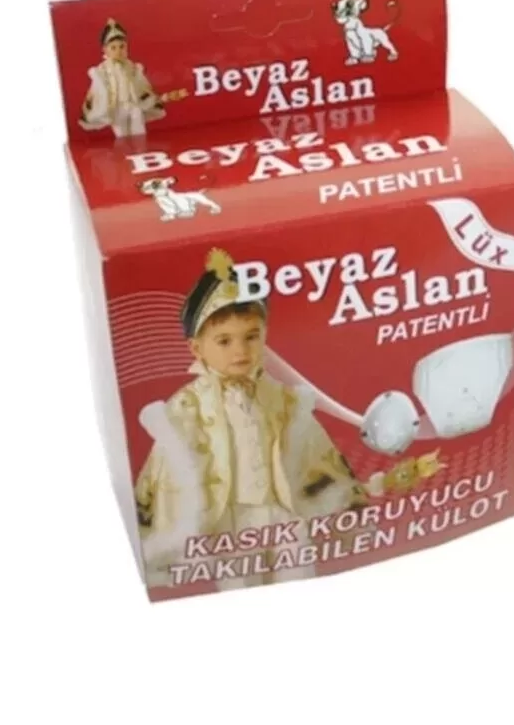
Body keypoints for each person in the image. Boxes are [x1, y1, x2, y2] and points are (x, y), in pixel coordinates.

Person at [135, 248, 364, 588]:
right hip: (228, 519)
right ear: (197, 348)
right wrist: (152, 529)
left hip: (281, 510)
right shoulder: (186, 408)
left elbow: (317, 453)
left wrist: (351, 507)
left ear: (265, 335)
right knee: (239, 587)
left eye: (251, 336)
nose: (240, 351)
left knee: (297, 575)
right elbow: (165, 466)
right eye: (224, 341)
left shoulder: (285, 401)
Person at [79, 17, 183, 137]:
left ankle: (140, 145)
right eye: (113, 47)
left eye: (122, 46)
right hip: (116, 109)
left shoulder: (133, 68)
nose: (118, 51)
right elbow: (96, 91)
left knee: (138, 124)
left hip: (132, 106)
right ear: (105, 50)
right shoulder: (101, 72)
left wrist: (160, 98)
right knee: (122, 133)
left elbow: (142, 88)